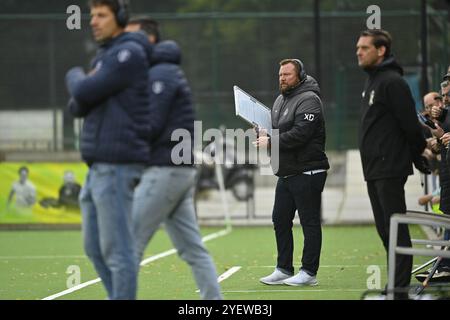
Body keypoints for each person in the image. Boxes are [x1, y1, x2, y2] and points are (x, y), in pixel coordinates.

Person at [124, 20, 223, 300]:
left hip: (165, 171)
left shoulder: (161, 73)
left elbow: (151, 123)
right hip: (177, 171)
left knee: (129, 244)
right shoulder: (164, 71)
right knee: (193, 250)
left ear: (150, 39)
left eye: (134, 36)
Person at [65, 0, 153, 300]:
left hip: (116, 163)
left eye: (101, 15)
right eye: (91, 15)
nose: (93, 21)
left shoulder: (128, 53)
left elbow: (81, 92)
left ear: (120, 18)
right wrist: (87, 87)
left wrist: (74, 74)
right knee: (94, 248)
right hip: (97, 165)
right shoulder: (107, 57)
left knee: (118, 251)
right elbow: (77, 106)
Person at [356, 29, 428, 299]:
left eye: (364, 48)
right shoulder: (372, 81)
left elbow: (408, 123)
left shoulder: (392, 81)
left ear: (381, 50)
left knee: (395, 229)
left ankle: (398, 290)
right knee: (385, 230)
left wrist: (419, 153)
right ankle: (395, 285)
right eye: (358, 49)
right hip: (374, 168)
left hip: (389, 167)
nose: (359, 52)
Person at [255, 59, 329, 286]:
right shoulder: (279, 100)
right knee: (280, 219)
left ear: (300, 76)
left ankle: (309, 273)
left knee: (309, 222)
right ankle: (284, 268)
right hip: (287, 171)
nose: (282, 78)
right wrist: (262, 131)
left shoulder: (309, 99)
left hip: (308, 170)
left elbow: (301, 134)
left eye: (287, 74)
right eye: (280, 74)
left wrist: (271, 141)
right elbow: (279, 131)